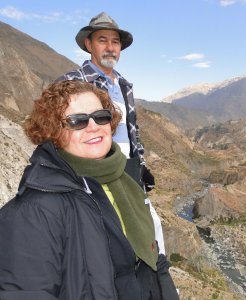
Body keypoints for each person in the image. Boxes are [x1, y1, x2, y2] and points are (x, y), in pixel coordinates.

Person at [0, 80, 179, 300]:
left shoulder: (126, 181)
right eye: (77, 121)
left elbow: (154, 263)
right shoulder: (32, 211)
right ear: (53, 131)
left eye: (100, 116)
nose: (93, 126)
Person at [57, 12, 166, 255]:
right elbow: (60, 131)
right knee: (110, 241)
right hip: (94, 174)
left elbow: (132, 131)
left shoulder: (124, 85)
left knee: (150, 231)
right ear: (89, 44)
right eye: (102, 40)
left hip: (127, 170)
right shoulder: (73, 82)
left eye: (115, 42)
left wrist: (141, 166)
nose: (110, 48)